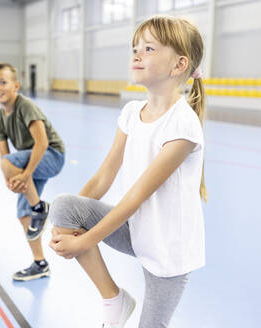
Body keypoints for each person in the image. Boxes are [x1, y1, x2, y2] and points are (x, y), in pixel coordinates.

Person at [49, 15, 207, 328]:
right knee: (64, 207)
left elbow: (136, 196)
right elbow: (103, 177)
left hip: (168, 250)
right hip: (137, 232)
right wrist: (68, 226)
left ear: (178, 65)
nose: (136, 54)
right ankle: (115, 299)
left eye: (149, 48)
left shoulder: (183, 124)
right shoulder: (132, 112)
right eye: (135, 47)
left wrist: (84, 242)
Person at [0, 62, 65, 281]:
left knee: (11, 167)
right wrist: (11, 181)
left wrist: (25, 174)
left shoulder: (25, 106)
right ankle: (40, 263)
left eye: (3, 82)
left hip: (51, 156)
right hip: (27, 164)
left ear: (16, 86)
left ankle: (40, 208)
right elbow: (5, 158)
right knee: (23, 214)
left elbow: (41, 143)